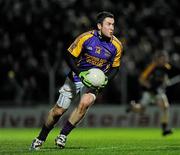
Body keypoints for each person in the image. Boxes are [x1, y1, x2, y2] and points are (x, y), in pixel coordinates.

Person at [30, 11, 123, 150]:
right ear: (99, 26)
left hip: (94, 82)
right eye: (108, 24)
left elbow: (116, 67)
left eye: (113, 25)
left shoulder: (117, 45)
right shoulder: (85, 38)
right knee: (58, 112)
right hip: (76, 77)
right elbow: (68, 56)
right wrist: (80, 74)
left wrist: (107, 80)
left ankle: (63, 135)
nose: (112, 28)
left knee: (85, 103)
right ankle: (40, 138)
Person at [126, 51, 173, 136]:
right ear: (158, 59)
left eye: (165, 58)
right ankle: (133, 107)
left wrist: (166, 81)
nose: (164, 60)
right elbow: (141, 79)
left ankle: (164, 129)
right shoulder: (152, 67)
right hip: (149, 92)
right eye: (162, 59)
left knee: (165, 107)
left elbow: (164, 77)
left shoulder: (167, 67)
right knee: (141, 109)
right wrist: (150, 87)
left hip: (158, 92)